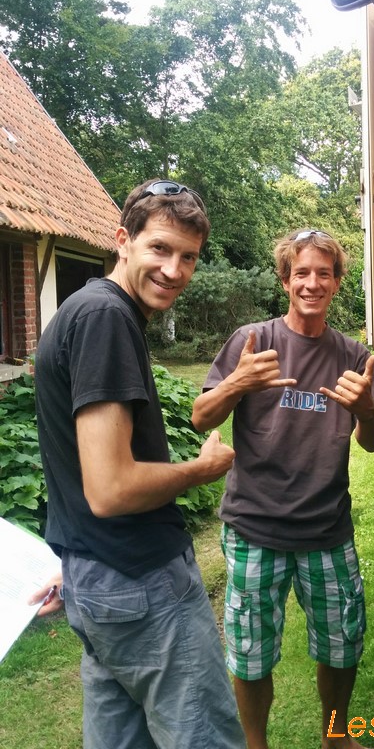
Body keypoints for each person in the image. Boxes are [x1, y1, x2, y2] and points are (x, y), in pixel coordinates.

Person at [31, 179, 246, 749]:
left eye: (188, 257)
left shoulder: (83, 309)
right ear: (123, 240)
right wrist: (203, 469)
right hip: (141, 580)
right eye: (160, 248)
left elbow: (77, 465)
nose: (174, 270)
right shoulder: (106, 319)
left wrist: (81, 567)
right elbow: (111, 488)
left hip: (96, 574)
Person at [192, 228, 374, 749]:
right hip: (254, 526)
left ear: (336, 283)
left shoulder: (352, 355)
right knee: (251, 652)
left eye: (323, 274)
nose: (312, 283)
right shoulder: (252, 341)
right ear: (285, 280)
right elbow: (201, 417)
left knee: (342, 643)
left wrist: (366, 410)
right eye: (301, 273)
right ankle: (255, 744)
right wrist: (238, 382)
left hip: (326, 528)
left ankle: (336, 737)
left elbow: (372, 442)